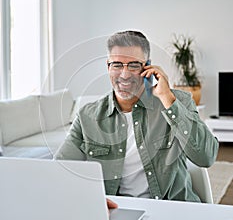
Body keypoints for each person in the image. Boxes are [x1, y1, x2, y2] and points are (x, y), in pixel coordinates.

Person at [55, 30, 218, 202]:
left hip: (173, 209)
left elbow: (206, 157)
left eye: (133, 65)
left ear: (148, 67)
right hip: (117, 213)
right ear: (108, 67)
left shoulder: (177, 101)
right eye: (117, 64)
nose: (124, 75)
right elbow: (60, 172)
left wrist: (167, 98)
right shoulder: (87, 116)